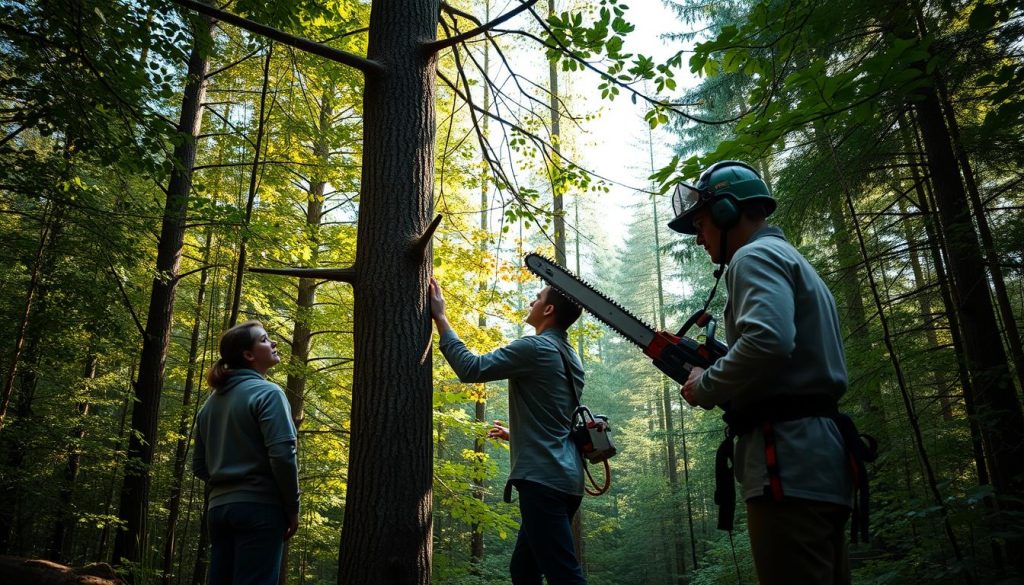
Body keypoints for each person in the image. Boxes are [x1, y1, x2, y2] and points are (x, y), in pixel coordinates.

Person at [669, 161, 865, 585]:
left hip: (787, 461)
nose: (700, 237)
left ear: (725, 212)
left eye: (701, 223)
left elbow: (768, 341)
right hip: (820, 458)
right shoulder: (790, 259)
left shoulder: (754, 257)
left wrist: (707, 385)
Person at [429, 277, 588, 585]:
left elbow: (471, 369)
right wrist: (514, 435)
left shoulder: (536, 347)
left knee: (564, 575)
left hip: (543, 481)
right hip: (566, 480)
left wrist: (441, 318)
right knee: (524, 571)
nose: (532, 302)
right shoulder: (571, 357)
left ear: (549, 309)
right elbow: (556, 423)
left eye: (538, 298)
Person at [193, 320, 300, 585]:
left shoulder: (209, 405)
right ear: (248, 355)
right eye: (264, 339)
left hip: (218, 512)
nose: (273, 342)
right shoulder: (269, 393)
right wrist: (292, 507)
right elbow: (283, 455)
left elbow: (198, 466)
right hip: (260, 509)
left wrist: (228, 484)